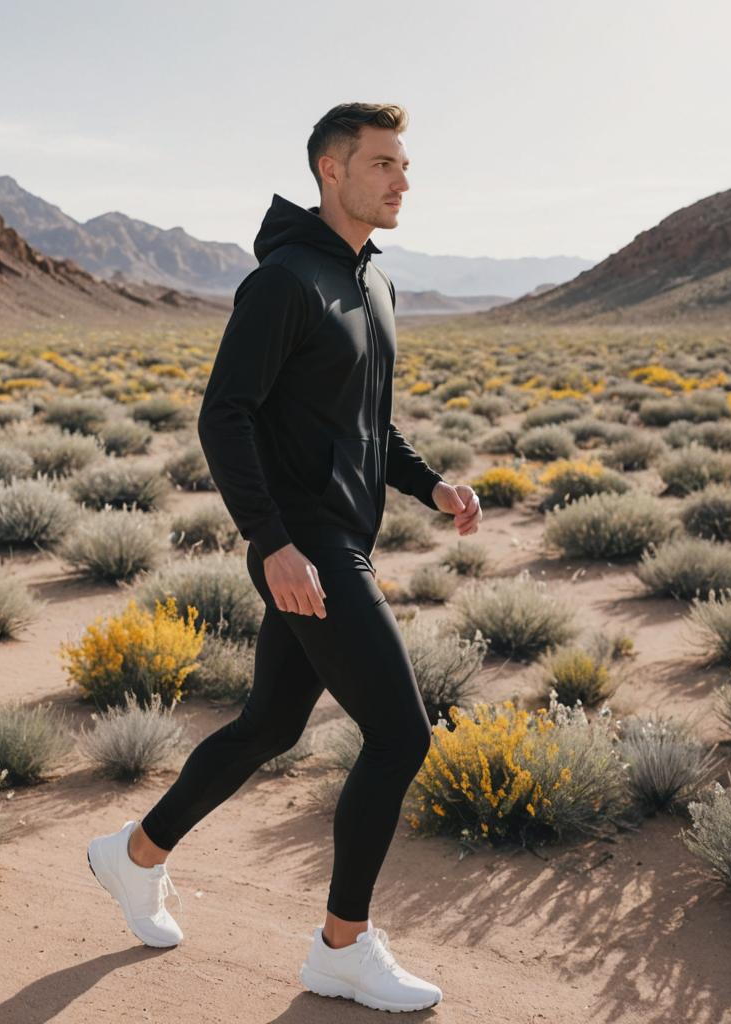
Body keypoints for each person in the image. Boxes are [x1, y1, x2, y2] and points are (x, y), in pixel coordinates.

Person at [86, 101, 483, 1013]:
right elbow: (223, 414)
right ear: (330, 172)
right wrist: (272, 543)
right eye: (383, 163)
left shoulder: (371, 283)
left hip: (338, 541)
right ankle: (342, 948)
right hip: (310, 550)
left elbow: (369, 424)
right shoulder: (288, 282)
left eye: (403, 163)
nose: (402, 180)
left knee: (270, 726)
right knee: (401, 736)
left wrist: (431, 488)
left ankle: (134, 855)